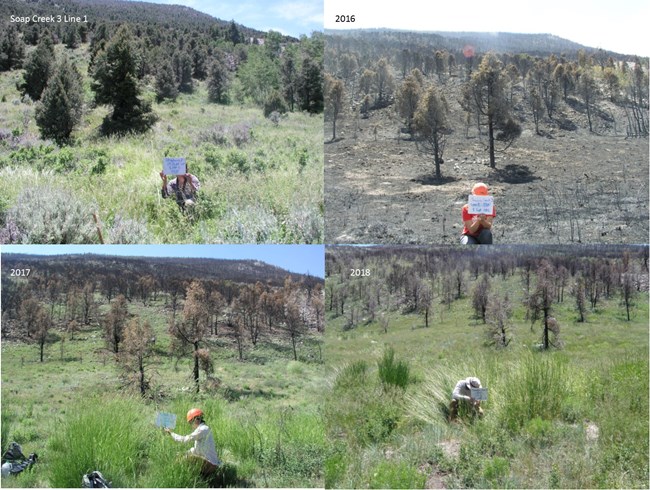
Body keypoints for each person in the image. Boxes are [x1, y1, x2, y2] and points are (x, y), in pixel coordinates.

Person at [165, 408, 220, 477]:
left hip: (211, 465)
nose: (191, 425)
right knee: (184, 456)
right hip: (209, 463)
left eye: (191, 422)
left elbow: (184, 440)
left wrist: (171, 433)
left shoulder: (202, 429)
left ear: (197, 419)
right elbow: (195, 449)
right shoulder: (203, 429)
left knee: (187, 459)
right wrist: (183, 453)